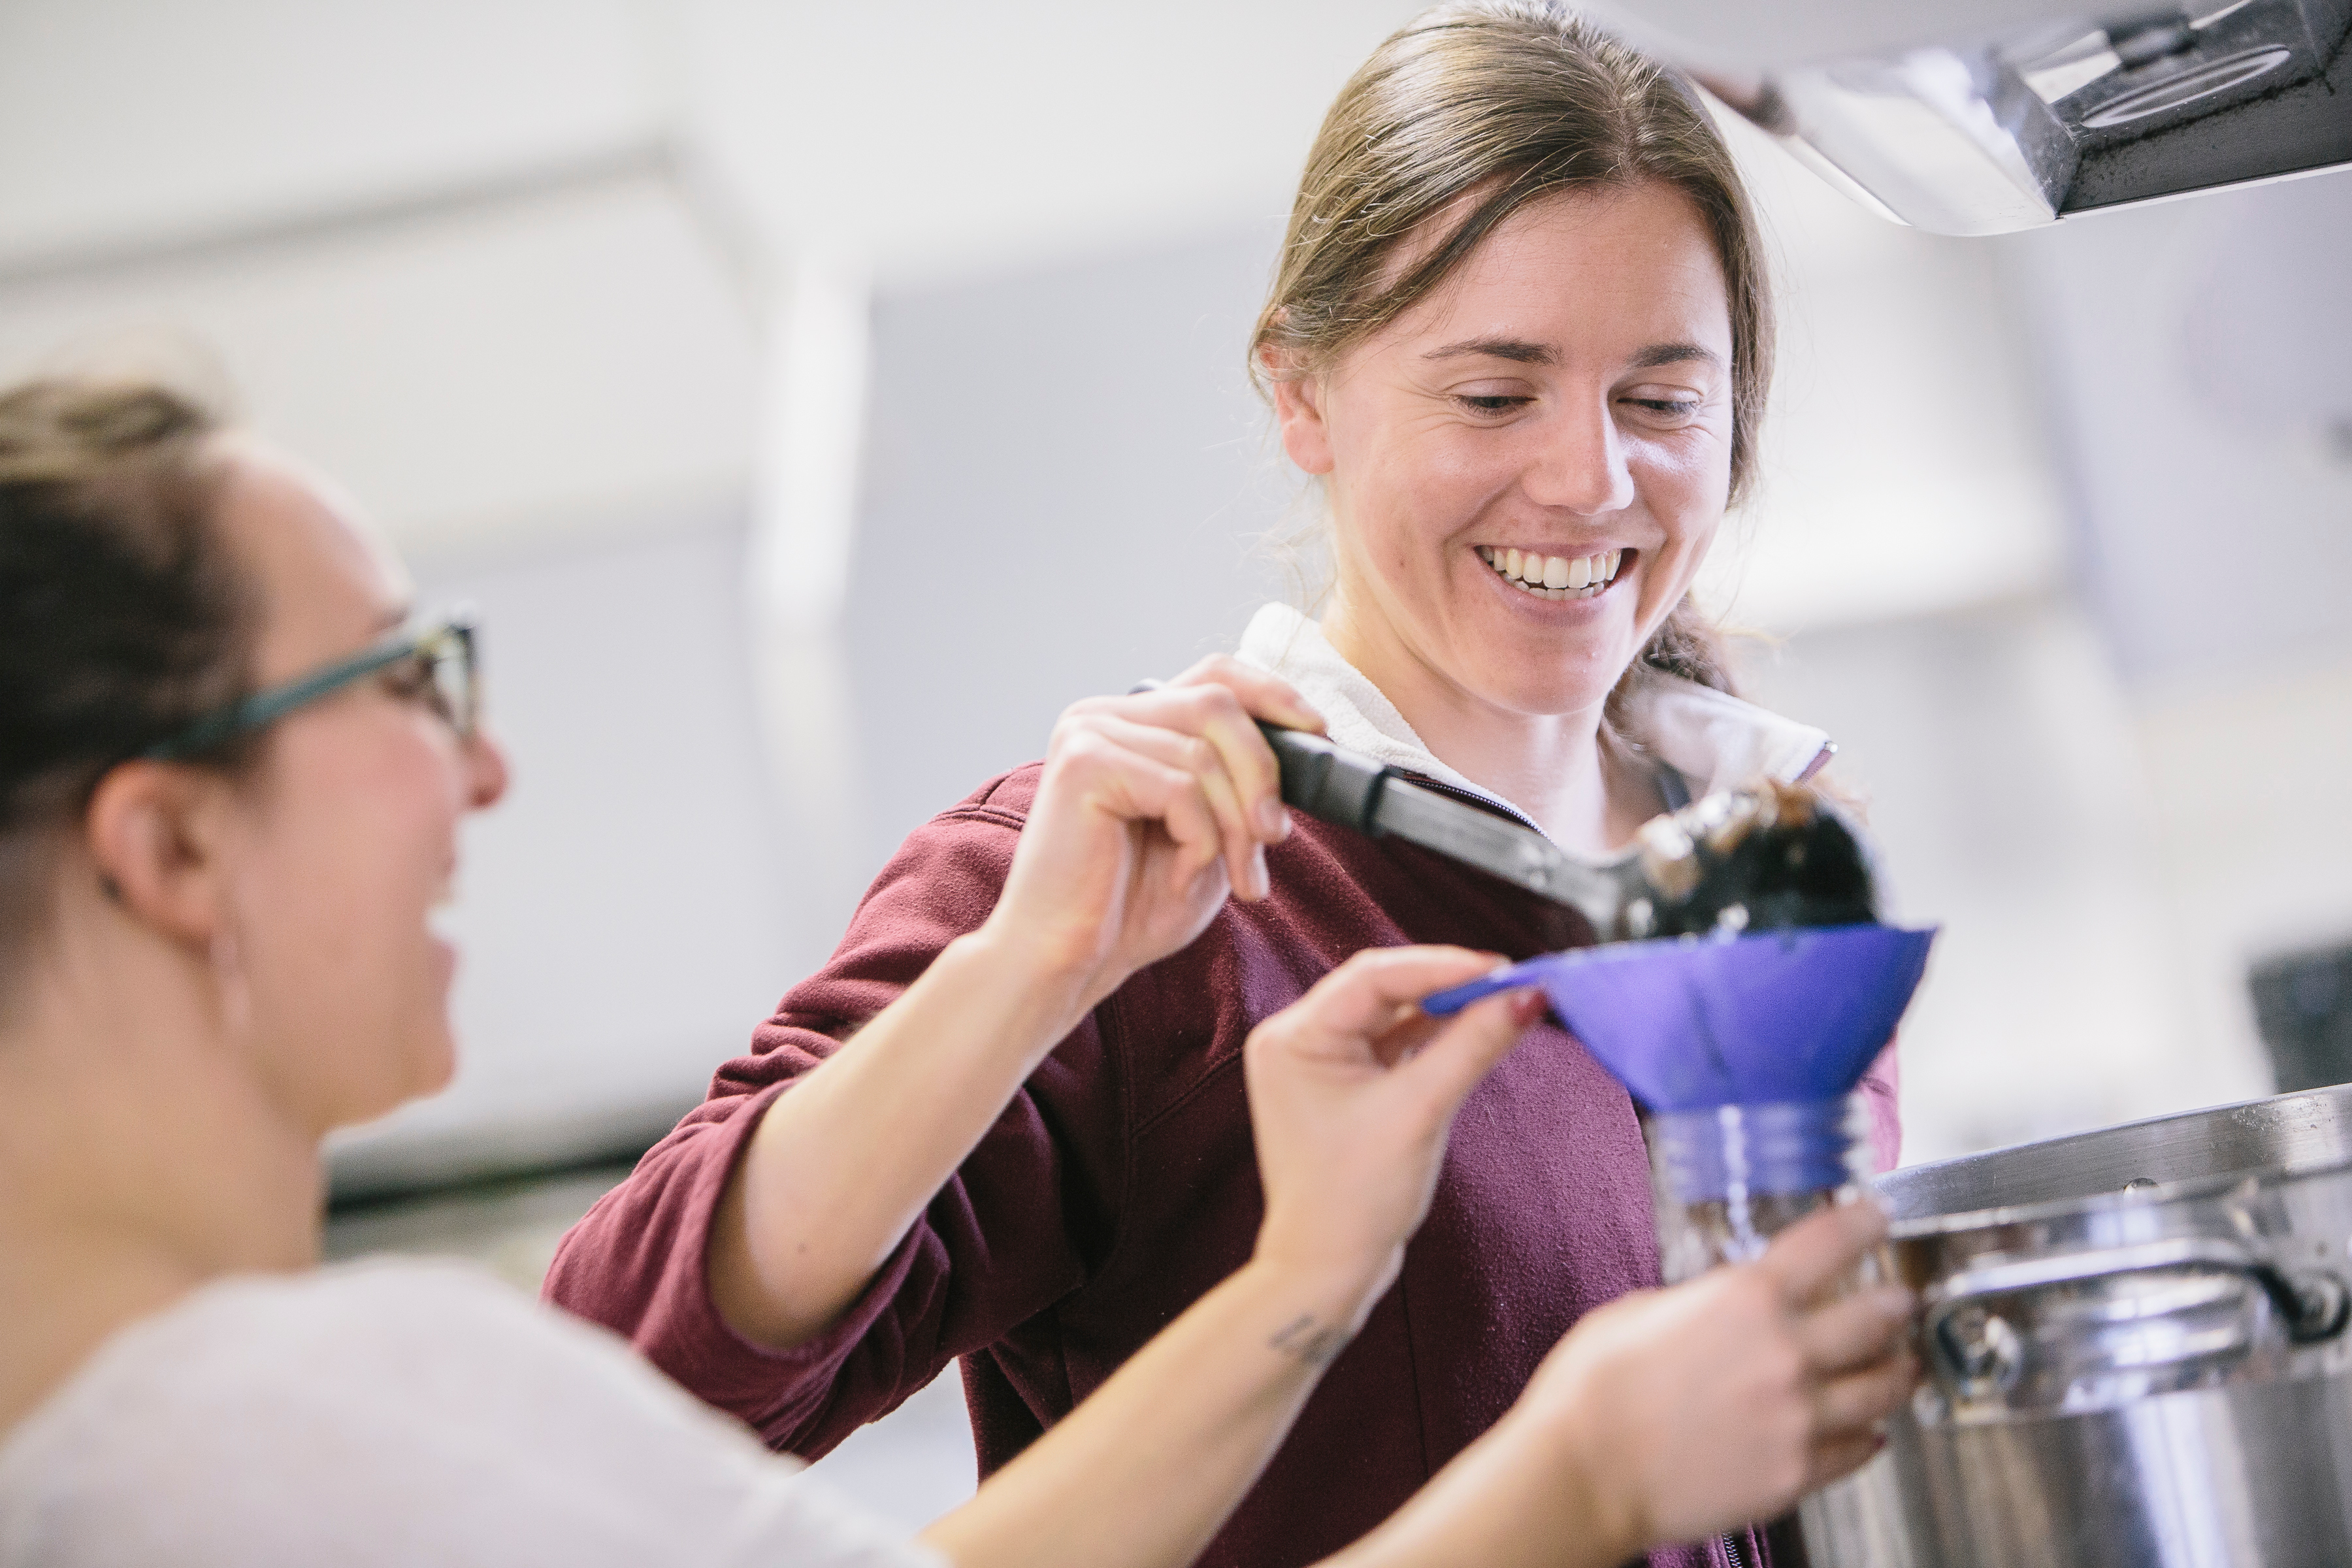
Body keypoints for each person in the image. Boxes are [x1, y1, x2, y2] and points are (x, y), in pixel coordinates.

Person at [0, 376, 1916, 1567]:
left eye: (1663, 392)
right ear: (167, 848)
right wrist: (1577, 1477)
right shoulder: (243, 1439)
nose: (485, 765)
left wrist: (1312, 1280)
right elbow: (664, 1343)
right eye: (409, 682)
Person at [546, 5, 1904, 1568]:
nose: (1590, 478)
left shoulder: (1775, 863)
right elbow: (605, 1395)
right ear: (1301, 396)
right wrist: (1023, 975)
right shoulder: (1134, 886)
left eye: (1661, 399)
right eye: (1493, 394)